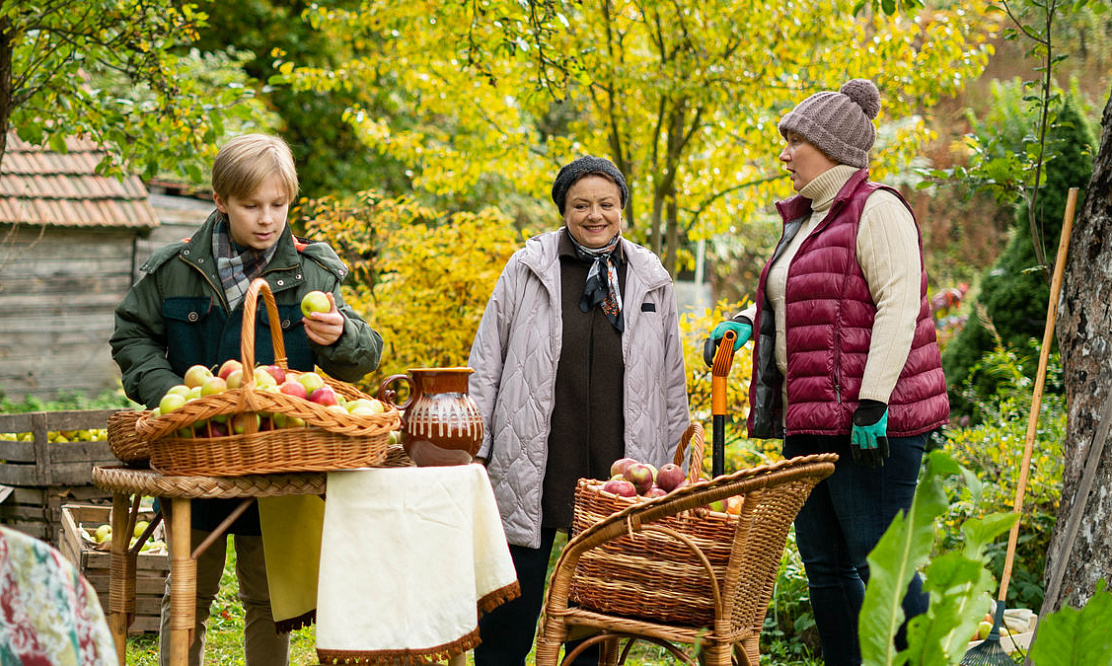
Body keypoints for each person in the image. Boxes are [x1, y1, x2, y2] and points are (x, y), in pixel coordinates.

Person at [110, 133, 383, 666]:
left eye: (278, 205)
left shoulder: (312, 273)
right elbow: (132, 336)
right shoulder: (174, 269)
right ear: (220, 201)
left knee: (266, 592)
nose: (267, 219)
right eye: (250, 205)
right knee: (189, 587)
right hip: (198, 449)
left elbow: (364, 357)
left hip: (275, 455)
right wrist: (173, 396)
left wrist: (340, 335)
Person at [704, 79, 949, 666]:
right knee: (824, 567)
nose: (783, 154)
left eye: (793, 141)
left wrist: (874, 402)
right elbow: (796, 293)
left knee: (878, 562)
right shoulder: (808, 221)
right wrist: (745, 319)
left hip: (871, 426)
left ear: (831, 145)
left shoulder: (878, 208)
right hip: (810, 418)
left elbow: (898, 305)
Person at [467, 155, 690, 665]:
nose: (595, 215)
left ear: (622, 209)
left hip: (618, 467)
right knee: (510, 605)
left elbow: (671, 376)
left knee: (591, 615)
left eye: (607, 204)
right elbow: (487, 360)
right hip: (535, 457)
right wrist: (476, 449)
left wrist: (677, 465)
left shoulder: (649, 275)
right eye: (581, 205)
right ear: (563, 210)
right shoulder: (528, 268)